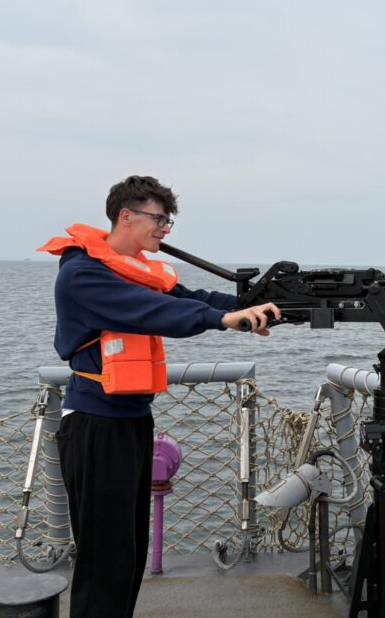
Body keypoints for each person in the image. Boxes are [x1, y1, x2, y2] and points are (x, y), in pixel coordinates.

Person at [38, 175, 279, 618]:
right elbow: (156, 310)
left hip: (131, 419)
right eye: (159, 219)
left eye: (169, 221)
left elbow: (193, 297)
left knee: (128, 550)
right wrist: (223, 320)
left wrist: (268, 308)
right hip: (95, 426)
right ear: (125, 216)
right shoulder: (83, 275)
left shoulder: (133, 271)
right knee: (104, 557)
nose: (165, 229)